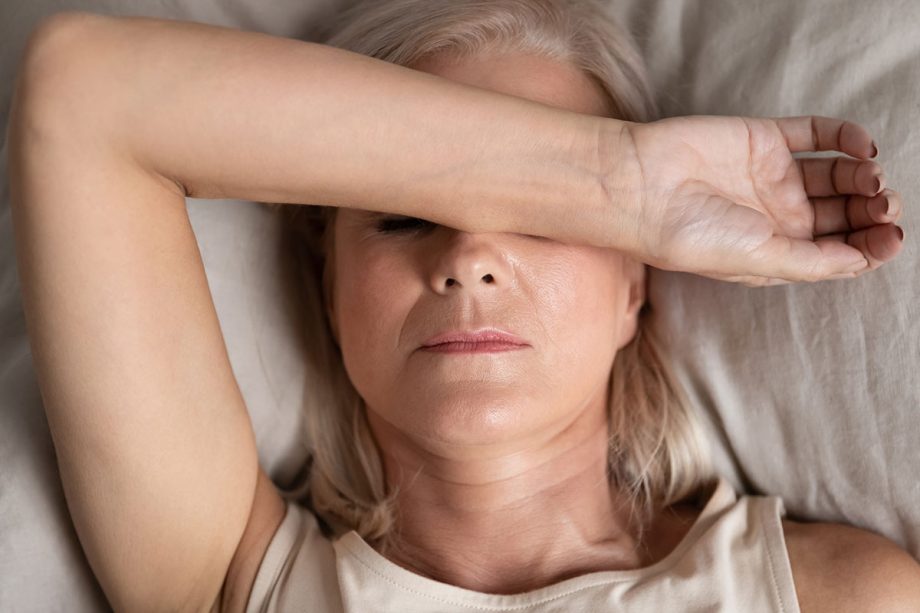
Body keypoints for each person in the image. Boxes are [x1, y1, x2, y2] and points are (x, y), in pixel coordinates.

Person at [6, 1, 916, 612]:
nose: (470, 258)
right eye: (403, 220)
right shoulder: (234, 577)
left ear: (634, 283)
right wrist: (611, 179)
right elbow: (80, 90)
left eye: (545, 221)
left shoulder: (835, 594)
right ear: (327, 286)